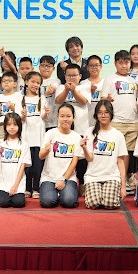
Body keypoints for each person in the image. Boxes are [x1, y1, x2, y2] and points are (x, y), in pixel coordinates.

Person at [102, 50, 138, 196]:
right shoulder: (110, 78)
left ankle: (125, 178)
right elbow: (103, 99)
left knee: (128, 153)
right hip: (116, 121)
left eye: (126, 63)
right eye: (121, 63)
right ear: (115, 63)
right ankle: (117, 179)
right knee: (117, 152)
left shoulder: (133, 80)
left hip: (133, 121)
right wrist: (107, 100)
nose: (124, 65)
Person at [81, 100, 127, 209]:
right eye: (100, 112)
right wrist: (84, 148)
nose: (103, 115)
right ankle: (98, 194)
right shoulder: (89, 132)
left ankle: (105, 194)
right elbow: (89, 158)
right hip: (93, 176)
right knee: (93, 203)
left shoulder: (118, 135)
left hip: (112, 176)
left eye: (106, 112)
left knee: (109, 204)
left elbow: (121, 161)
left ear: (111, 114)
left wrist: (123, 186)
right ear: (96, 115)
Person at [39, 103, 83, 208]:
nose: (65, 119)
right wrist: (46, 150)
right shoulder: (50, 133)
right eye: (62, 116)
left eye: (68, 116)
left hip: (68, 178)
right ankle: (55, 193)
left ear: (73, 118)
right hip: (49, 177)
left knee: (69, 202)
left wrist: (64, 180)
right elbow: (41, 156)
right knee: (48, 202)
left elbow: (74, 162)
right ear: (57, 117)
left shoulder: (77, 137)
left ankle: (62, 193)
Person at [55, 63, 91, 192]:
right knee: (64, 154)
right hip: (64, 130)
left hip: (81, 128)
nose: (71, 78)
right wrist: (66, 90)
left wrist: (74, 90)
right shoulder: (60, 87)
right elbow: (58, 101)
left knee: (81, 158)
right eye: (69, 75)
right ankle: (62, 180)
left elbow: (83, 101)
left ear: (80, 76)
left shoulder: (85, 86)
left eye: (74, 75)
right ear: (65, 76)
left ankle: (81, 183)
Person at [0, 112, 32, 208]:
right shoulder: (0, 142)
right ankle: (1, 195)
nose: (12, 127)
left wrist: (15, 186)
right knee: (3, 203)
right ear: (5, 126)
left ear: (19, 126)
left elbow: (23, 166)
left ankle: (16, 193)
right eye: (9, 125)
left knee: (18, 203)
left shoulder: (24, 144)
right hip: (3, 182)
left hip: (17, 181)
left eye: (15, 124)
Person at [21, 71, 48, 198]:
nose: (35, 84)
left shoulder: (42, 99)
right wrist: (23, 116)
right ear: (26, 82)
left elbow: (43, 117)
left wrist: (46, 113)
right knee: (27, 164)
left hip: (38, 137)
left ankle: (36, 188)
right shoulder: (21, 99)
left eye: (38, 82)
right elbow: (19, 119)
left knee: (38, 164)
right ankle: (27, 188)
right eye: (32, 81)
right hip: (26, 136)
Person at [0, 72, 24, 141]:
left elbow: (20, 114)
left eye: (9, 81)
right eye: (4, 81)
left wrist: (13, 108)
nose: (6, 83)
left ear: (15, 84)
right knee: (0, 145)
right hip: (1, 125)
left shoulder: (18, 96)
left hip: (13, 125)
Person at [81, 55, 104, 130]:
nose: (94, 68)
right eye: (91, 66)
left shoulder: (105, 82)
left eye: (96, 65)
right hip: (85, 120)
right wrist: (90, 92)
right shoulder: (82, 83)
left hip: (101, 119)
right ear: (87, 68)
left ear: (101, 67)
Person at [38, 55, 61, 131]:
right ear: (39, 67)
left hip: (53, 120)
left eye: (48, 66)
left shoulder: (56, 80)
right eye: (43, 65)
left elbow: (54, 87)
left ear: (53, 68)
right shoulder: (36, 80)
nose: (46, 68)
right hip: (38, 119)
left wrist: (52, 90)